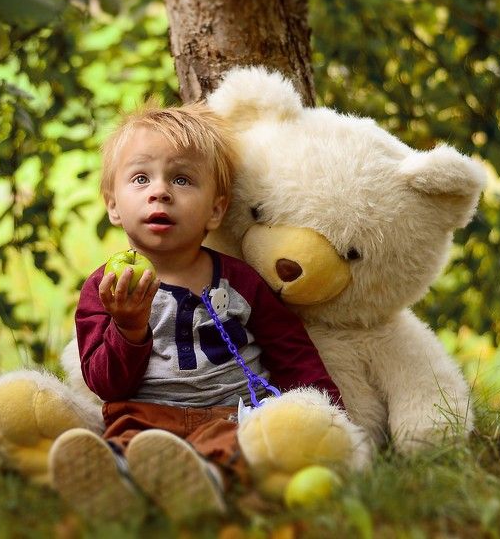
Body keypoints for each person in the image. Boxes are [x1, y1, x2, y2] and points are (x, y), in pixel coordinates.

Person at [49, 101, 343, 523]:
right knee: (128, 440)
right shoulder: (106, 288)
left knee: (241, 445)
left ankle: (200, 481)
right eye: (140, 178)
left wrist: (330, 416)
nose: (160, 191)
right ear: (113, 204)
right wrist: (129, 328)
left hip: (230, 412)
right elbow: (105, 384)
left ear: (216, 210)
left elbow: (290, 349)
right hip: (143, 415)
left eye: (182, 179)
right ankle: (115, 484)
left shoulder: (240, 281)